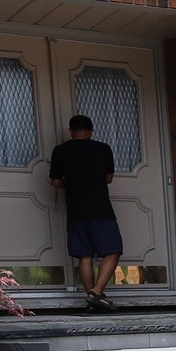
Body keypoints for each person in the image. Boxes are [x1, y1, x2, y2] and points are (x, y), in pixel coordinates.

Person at [48, 115, 123, 312]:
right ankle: (96, 293)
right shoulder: (103, 149)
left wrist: (71, 185)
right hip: (100, 208)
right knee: (113, 250)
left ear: (71, 131)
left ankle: (92, 298)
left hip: (76, 209)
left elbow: (55, 181)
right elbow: (108, 178)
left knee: (85, 255)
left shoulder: (60, 151)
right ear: (91, 131)